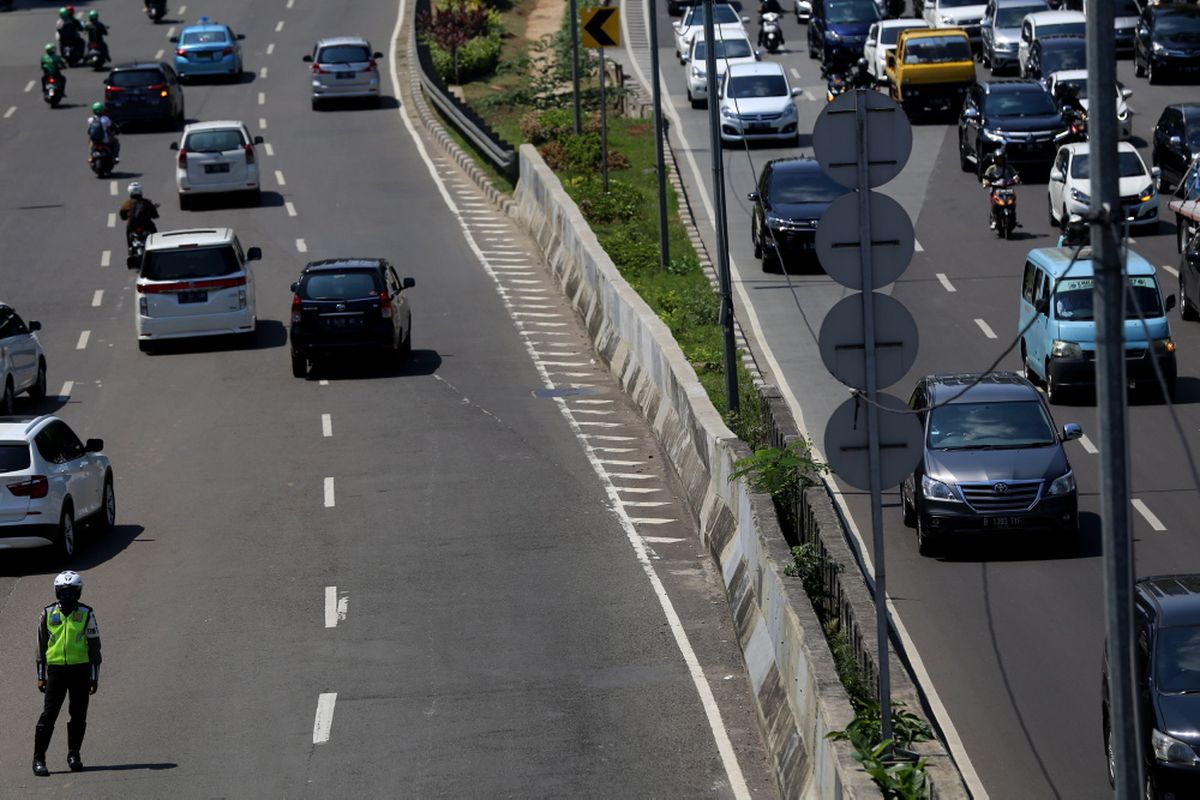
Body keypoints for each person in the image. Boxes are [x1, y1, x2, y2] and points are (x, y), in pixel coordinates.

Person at [33, 571, 101, 777]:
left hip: (80, 671)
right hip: (56, 672)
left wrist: (94, 676)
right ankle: (39, 758)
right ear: (57, 592)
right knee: (49, 715)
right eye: (63, 592)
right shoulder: (48, 613)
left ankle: (74, 755)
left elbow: (94, 648)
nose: (67, 597)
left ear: (78, 593)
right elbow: (40, 646)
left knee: (79, 715)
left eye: (71, 592)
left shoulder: (87, 614)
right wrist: (40, 675)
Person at [981, 149, 1020, 229]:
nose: (1000, 160)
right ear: (995, 159)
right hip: (996, 189)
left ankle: (1013, 217)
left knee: (1012, 201)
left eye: (1001, 159)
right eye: (998, 159)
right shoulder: (991, 168)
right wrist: (986, 183)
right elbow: (986, 176)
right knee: (994, 204)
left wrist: (1016, 179)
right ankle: (994, 219)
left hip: (1007, 189)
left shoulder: (1008, 167)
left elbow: (1014, 175)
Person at [120, 182, 159, 251]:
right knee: (155, 233)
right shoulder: (147, 202)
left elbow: (122, 216)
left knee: (128, 232)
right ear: (140, 191)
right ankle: (157, 247)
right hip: (147, 225)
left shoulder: (127, 203)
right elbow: (155, 215)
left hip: (132, 226)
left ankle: (130, 247)